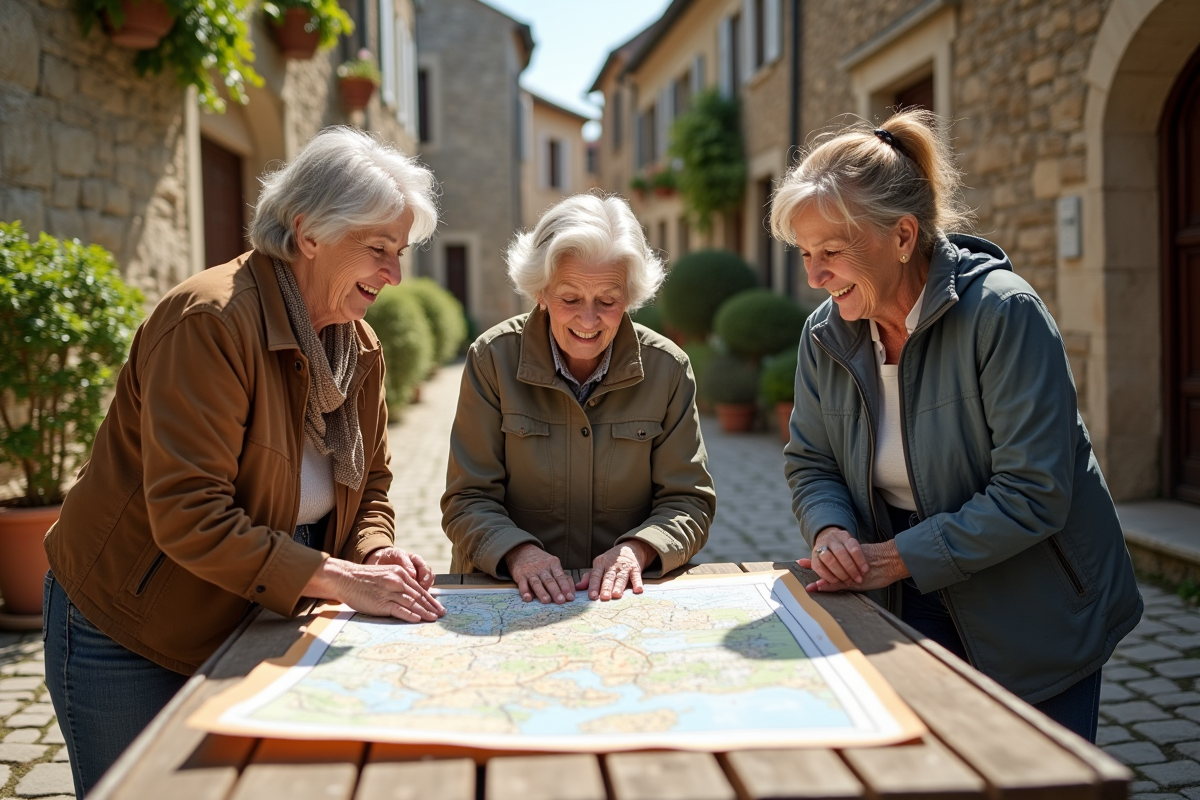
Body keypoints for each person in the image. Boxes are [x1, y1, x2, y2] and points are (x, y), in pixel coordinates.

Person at [42, 127, 447, 796]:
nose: (393, 275)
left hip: (257, 613)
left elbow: (370, 483)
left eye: (399, 252)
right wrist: (341, 579)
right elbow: (189, 514)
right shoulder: (211, 321)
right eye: (378, 250)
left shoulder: (360, 346)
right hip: (129, 628)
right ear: (308, 232)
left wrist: (373, 552)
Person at [770, 109, 1142, 742]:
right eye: (806, 254)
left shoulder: (1004, 313)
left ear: (903, 236)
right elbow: (812, 461)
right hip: (900, 590)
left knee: (1035, 778)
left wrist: (895, 558)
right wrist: (831, 528)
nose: (814, 276)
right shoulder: (823, 334)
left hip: (1032, 605)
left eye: (832, 252)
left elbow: (1034, 492)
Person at [441, 193, 715, 605]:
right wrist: (517, 553)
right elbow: (467, 498)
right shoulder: (492, 358)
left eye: (608, 300)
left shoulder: (668, 368)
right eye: (569, 299)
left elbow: (688, 500)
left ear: (630, 297)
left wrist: (638, 549)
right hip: (507, 594)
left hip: (621, 601)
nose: (588, 320)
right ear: (540, 292)